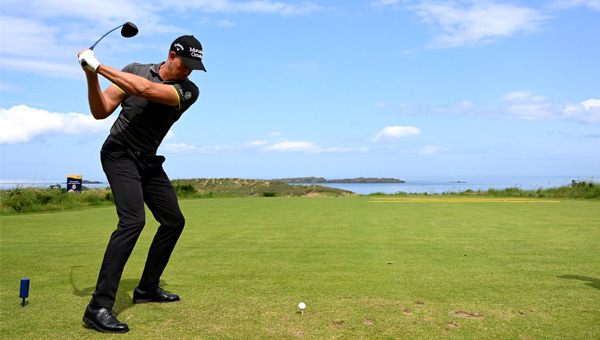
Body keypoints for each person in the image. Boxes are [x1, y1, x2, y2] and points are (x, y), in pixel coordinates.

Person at [77, 35, 206, 333]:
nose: (188, 71)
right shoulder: (134, 69)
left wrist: (97, 66)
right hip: (119, 153)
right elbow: (101, 110)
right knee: (133, 222)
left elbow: (144, 89)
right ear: (171, 55)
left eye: (193, 67)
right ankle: (98, 307)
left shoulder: (188, 90)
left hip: (148, 161)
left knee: (173, 221)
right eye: (185, 64)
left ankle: (146, 289)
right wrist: (90, 76)